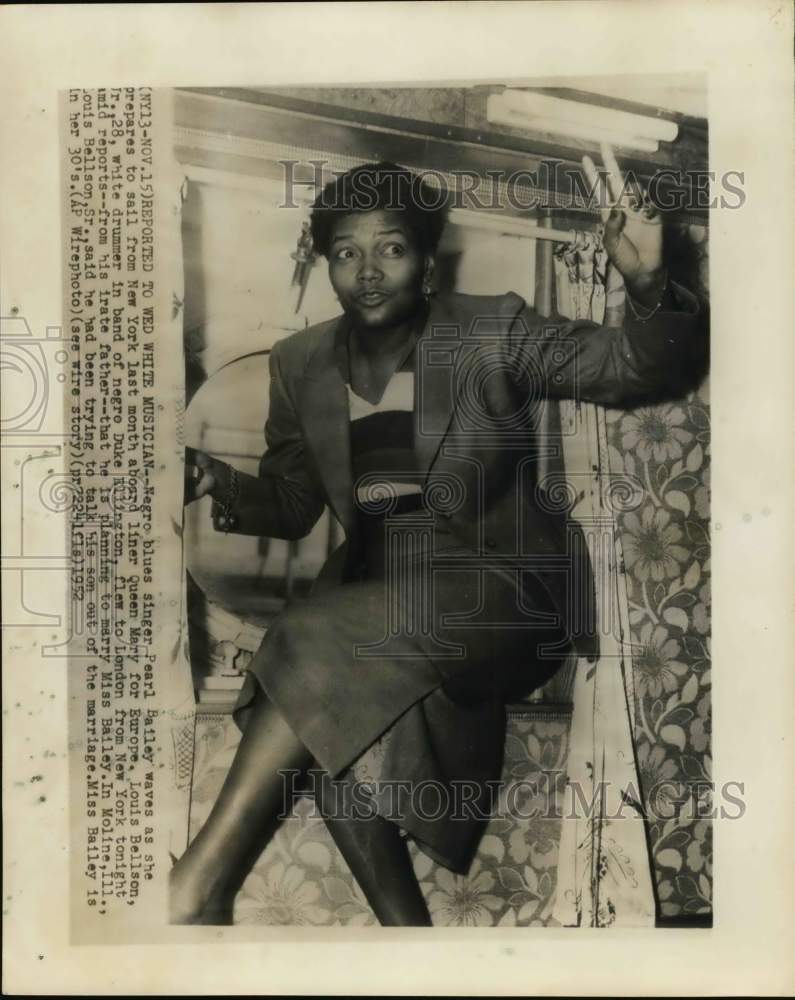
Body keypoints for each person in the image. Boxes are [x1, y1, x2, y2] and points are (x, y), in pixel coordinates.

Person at [171, 148, 704, 926]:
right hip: (382, 600)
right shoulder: (298, 362)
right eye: (345, 253)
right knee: (321, 721)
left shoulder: (493, 330)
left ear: (425, 262)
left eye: (390, 248)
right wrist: (223, 481)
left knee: (309, 643)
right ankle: (407, 939)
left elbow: (629, 367)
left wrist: (650, 284)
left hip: (504, 594)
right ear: (326, 265)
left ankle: (198, 886)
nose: (368, 270)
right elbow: (292, 505)